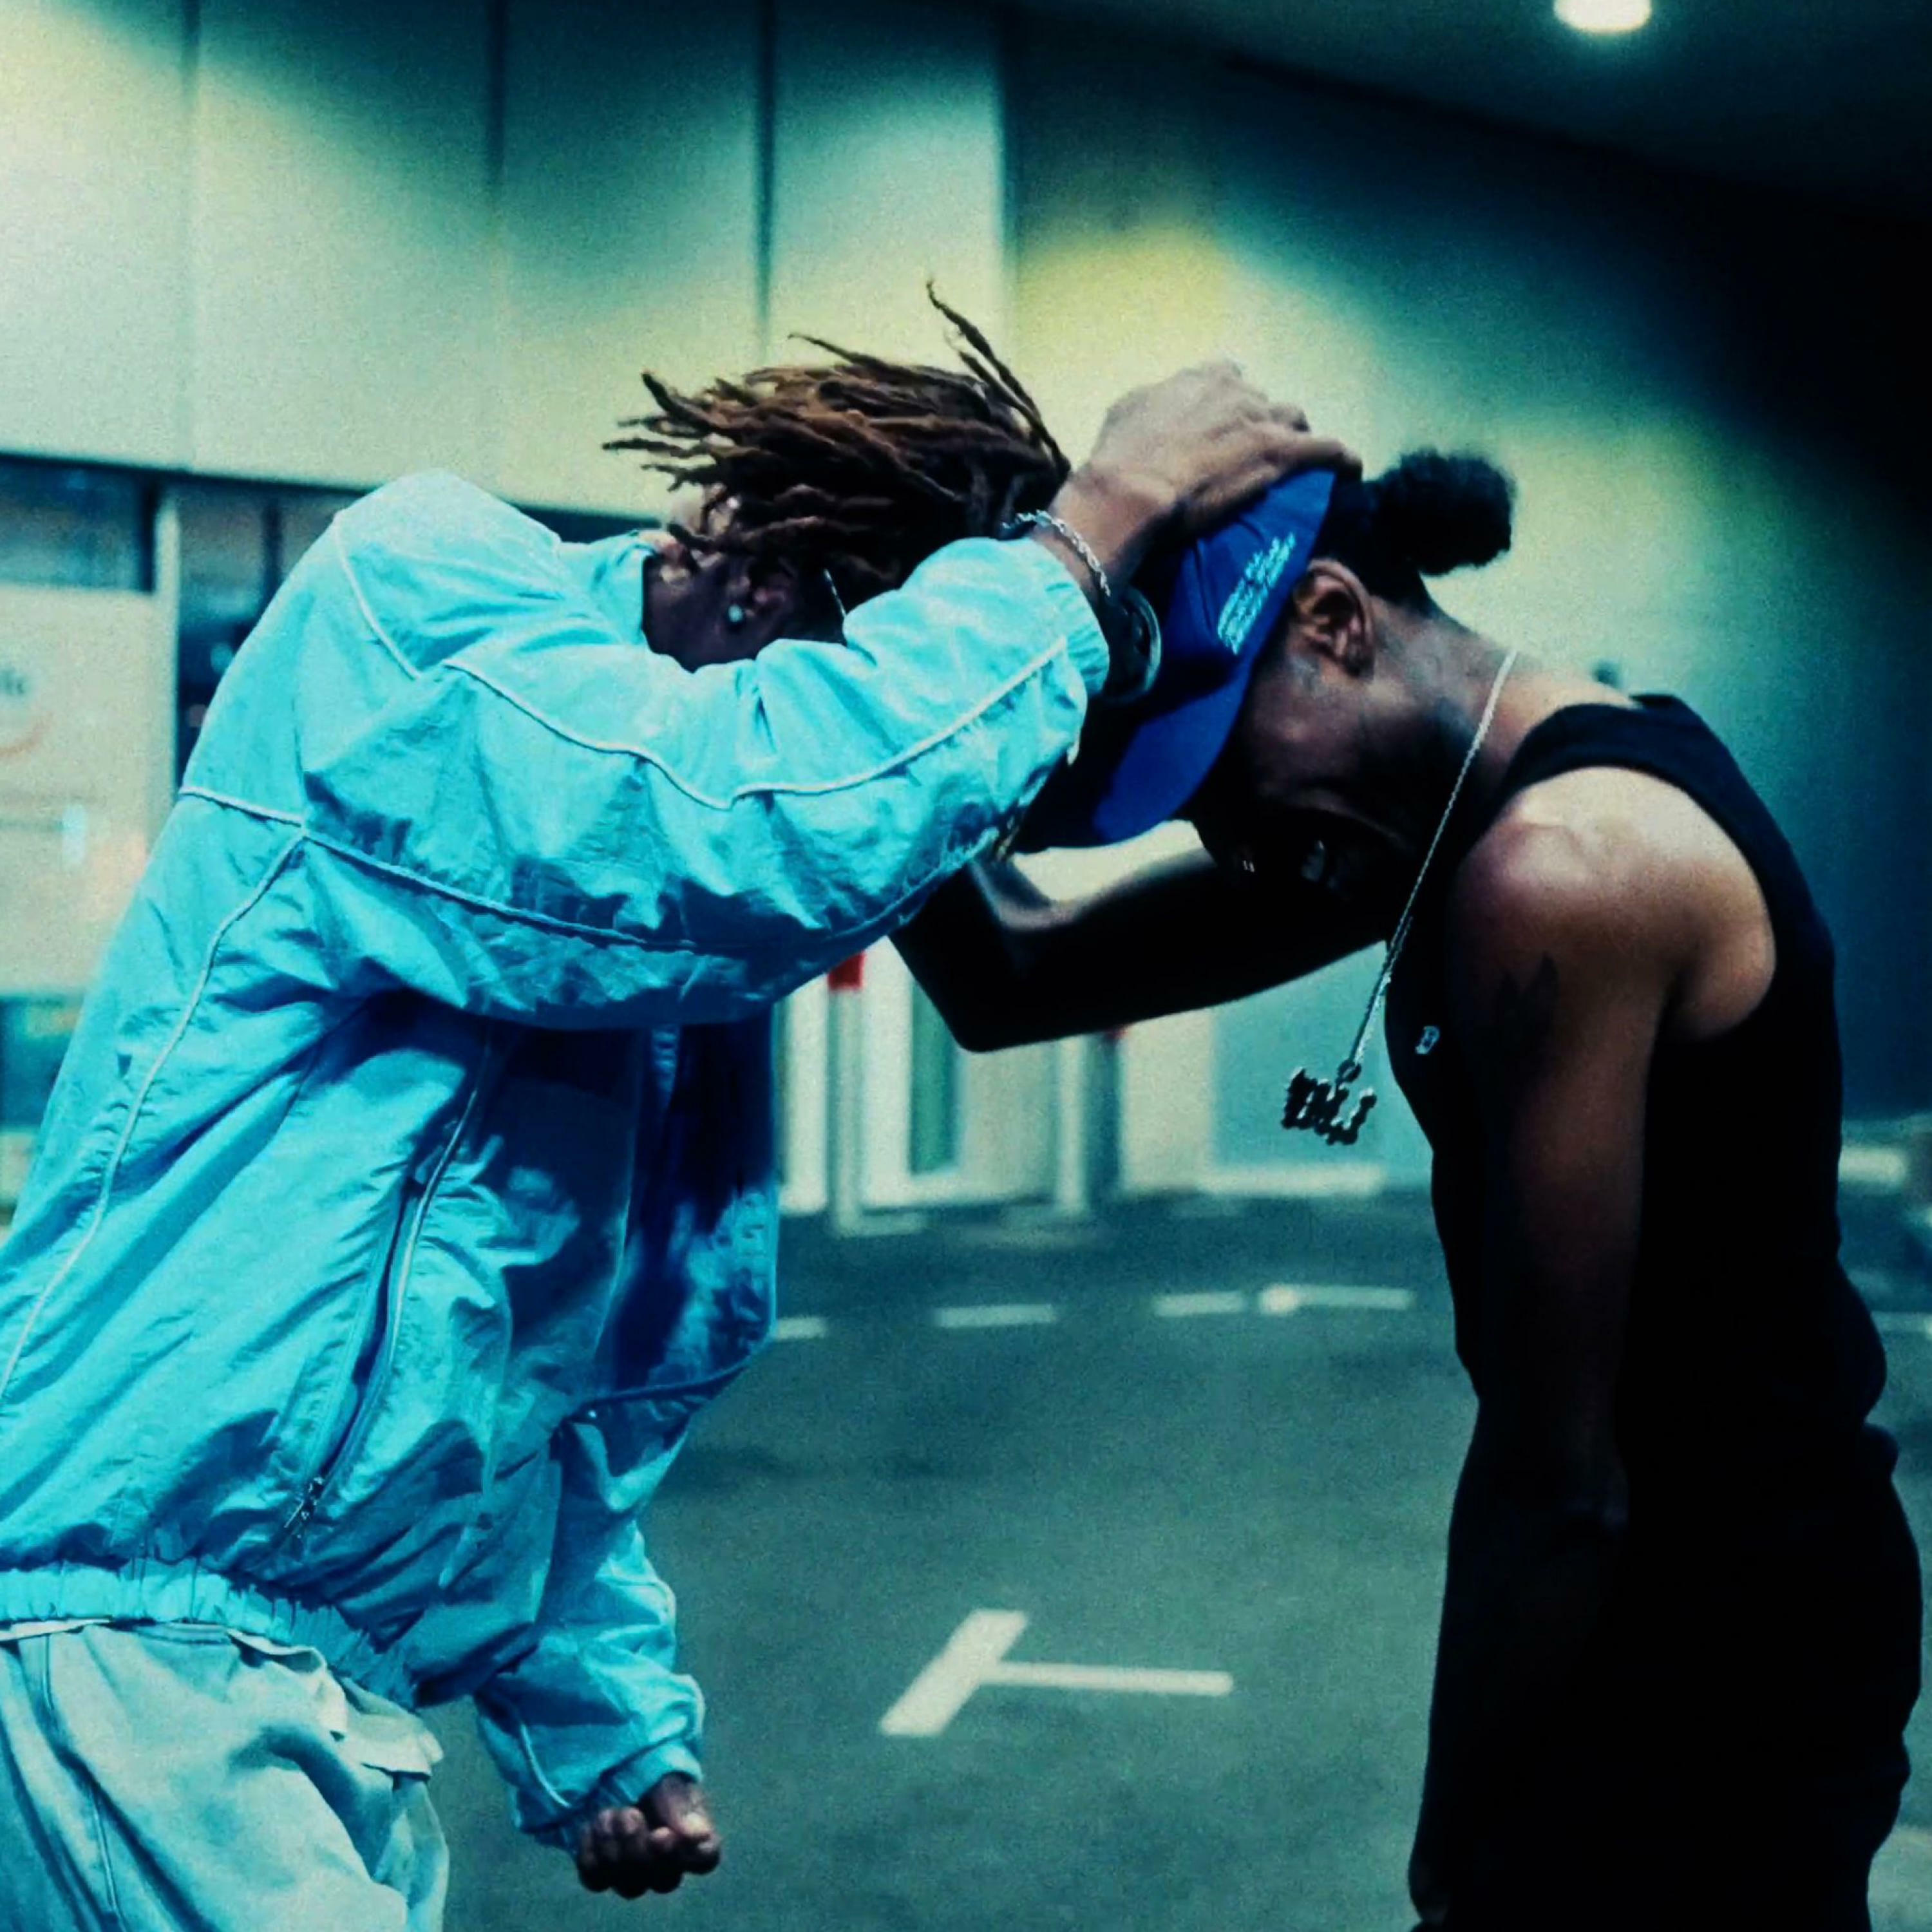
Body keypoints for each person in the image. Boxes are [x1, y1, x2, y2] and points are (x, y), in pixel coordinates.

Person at [0, 298, 1353, 1930]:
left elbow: (535, 1396)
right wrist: (1089, 538)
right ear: (765, 583)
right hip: (116, 1655)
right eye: (857, 664)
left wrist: (604, 1724)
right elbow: (734, 823)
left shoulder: (665, 984)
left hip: (308, 1698)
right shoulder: (418, 594)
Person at [971, 453, 1923, 1927]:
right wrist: (861, 692)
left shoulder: (1563, 871)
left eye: (1225, 773)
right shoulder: (1423, 831)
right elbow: (1016, 974)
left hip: (1723, 1629)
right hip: (1677, 1590)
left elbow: (1558, 1479)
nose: (1231, 836)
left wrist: (1456, 1845)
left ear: (1336, 621)